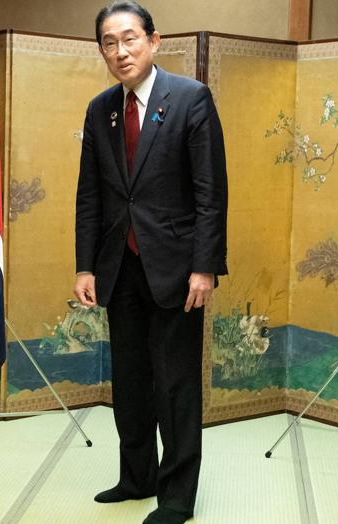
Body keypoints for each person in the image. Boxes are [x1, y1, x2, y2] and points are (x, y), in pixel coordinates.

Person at [74, 3, 228, 523]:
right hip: (119, 266)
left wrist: (204, 267)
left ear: (154, 41)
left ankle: (177, 496)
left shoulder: (190, 99)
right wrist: (85, 266)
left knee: (176, 384)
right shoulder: (101, 110)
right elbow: (90, 197)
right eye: (109, 43)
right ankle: (135, 477)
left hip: (179, 270)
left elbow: (211, 192)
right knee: (131, 380)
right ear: (101, 50)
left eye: (130, 39)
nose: (121, 51)